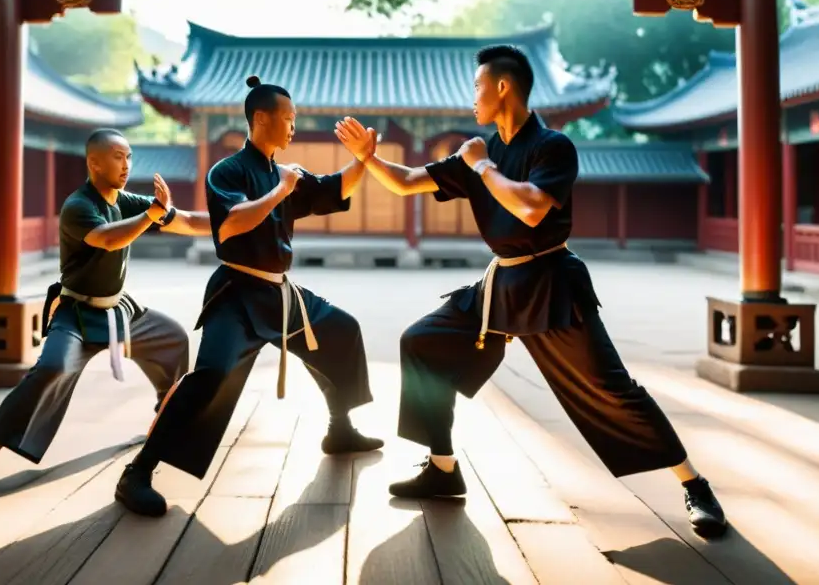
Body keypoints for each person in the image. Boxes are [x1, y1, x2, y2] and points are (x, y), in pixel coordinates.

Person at [334, 45, 728, 540]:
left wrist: (480, 168)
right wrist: (369, 160)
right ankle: (442, 467)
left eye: (478, 88)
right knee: (422, 343)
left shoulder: (551, 146)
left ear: (502, 87)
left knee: (613, 388)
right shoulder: (479, 149)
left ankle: (695, 484)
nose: (472, 99)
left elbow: (533, 209)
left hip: (551, 281)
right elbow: (408, 182)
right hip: (503, 282)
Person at [115, 75, 383, 517]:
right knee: (210, 378)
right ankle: (138, 472)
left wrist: (363, 160)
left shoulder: (285, 173)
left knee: (340, 331)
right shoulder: (228, 171)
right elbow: (231, 224)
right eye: (288, 118)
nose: (294, 126)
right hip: (237, 294)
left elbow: (334, 189)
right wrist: (281, 191)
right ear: (260, 119)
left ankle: (340, 427)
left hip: (279, 292)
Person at [0, 128, 211, 496]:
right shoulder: (78, 206)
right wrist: (150, 216)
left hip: (118, 309)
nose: (126, 165)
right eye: (118, 157)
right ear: (94, 162)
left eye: (129, 158)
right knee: (51, 368)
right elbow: (109, 239)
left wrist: (232, 223)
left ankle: (165, 416)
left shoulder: (128, 200)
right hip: (76, 312)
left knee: (173, 339)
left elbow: (184, 220)